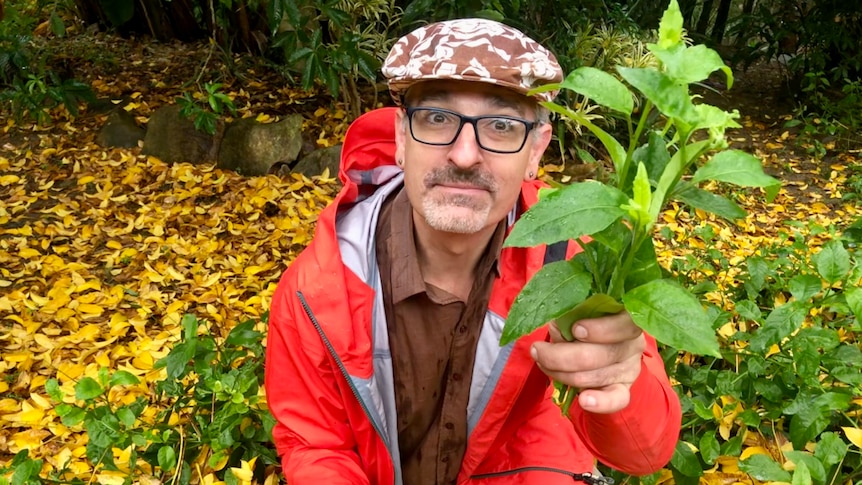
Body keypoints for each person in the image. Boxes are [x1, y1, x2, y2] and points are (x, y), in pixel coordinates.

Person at [264, 18, 682, 485]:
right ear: (402, 137)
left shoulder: (573, 261)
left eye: (501, 125)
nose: (464, 156)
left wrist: (623, 384)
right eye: (438, 118)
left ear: (536, 150)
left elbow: (644, 453)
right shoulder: (320, 290)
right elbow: (317, 445)